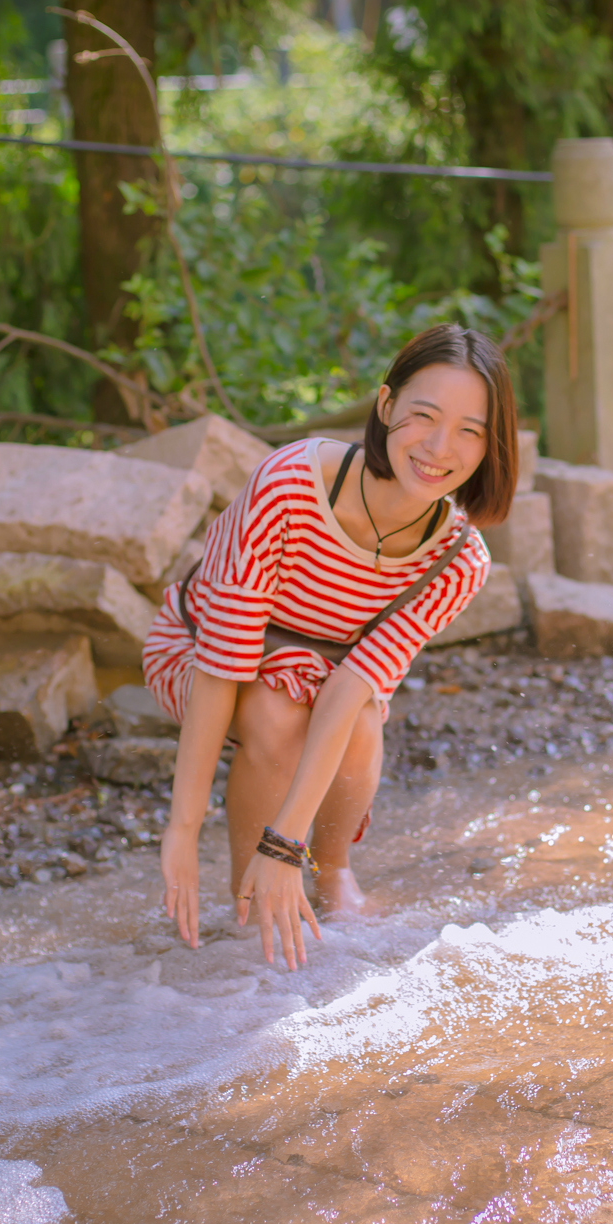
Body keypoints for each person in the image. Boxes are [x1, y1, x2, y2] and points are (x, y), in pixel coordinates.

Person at [144, 323, 518, 969]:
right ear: (385, 406)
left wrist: (289, 840)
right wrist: (182, 828)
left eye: (469, 430)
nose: (438, 447)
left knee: (362, 715)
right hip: (199, 650)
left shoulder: (459, 559)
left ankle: (331, 871)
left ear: (491, 445)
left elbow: (351, 686)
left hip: (325, 677)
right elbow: (223, 662)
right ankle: (252, 902)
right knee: (274, 710)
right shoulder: (288, 484)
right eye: (422, 416)